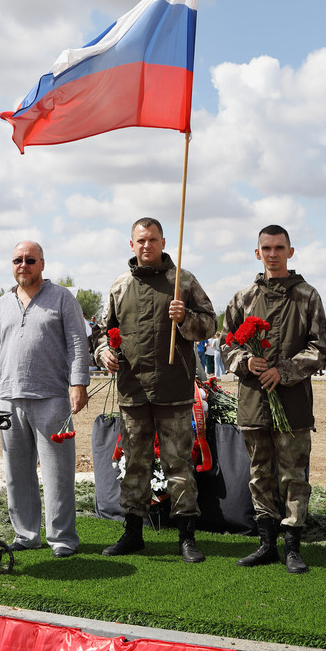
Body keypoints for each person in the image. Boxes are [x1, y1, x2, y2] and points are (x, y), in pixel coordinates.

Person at [95, 217, 217, 562]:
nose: (146, 246)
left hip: (174, 390)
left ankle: (187, 537)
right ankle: (133, 532)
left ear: (163, 242)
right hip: (133, 390)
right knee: (135, 462)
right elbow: (103, 330)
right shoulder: (120, 285)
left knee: (180, 464)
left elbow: (210, 324)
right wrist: (104, 351)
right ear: (131, 244)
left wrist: (187, 319)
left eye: (152, 240)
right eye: (140, 240)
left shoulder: (183, 281)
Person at [0, 241, 90, 558]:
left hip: (51, 397)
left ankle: (62, 538)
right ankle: (26, 535)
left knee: (58, 473)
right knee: (16, 472)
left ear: (42, 264)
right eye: (17, 260)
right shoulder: (2, 303)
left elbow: (79, 343)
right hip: (8, 399)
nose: (23, 264)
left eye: (29, 259)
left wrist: (78, 383)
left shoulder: (62, 298)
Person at [222, 225, 326, 574]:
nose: (273, 254)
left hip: (293, 402)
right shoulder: (243, 298)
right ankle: (266, 544)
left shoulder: (308, 296)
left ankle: (293, 546)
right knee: (260, 474)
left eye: (279, 247)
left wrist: (284, 371)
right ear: (257, 253)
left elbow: (319, 349)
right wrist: (245, 362)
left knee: (294, 476)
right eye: (266, 248)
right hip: (253, 401)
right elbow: (226, 345)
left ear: (290, 252)